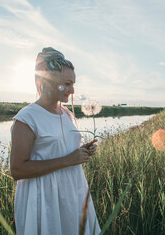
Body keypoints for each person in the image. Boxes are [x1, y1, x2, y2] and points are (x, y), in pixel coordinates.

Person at [10, 47, 101, 235]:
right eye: (67, 83)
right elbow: (17, 170)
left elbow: (62, 150)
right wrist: (68, 159)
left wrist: (81, 152)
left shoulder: (66, 114)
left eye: (73, 84)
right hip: (44, 198)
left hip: (73, 190)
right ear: (48, 81)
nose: (72, 90)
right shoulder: (27, 118)